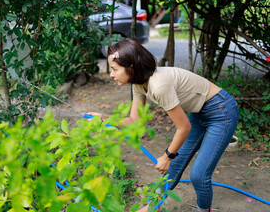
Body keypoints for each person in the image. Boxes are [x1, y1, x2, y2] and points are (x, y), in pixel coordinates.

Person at [87, 39, 239, 212]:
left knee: (199, 175)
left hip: (221, 111)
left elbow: (184, 127)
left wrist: (167, 156)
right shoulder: (138, 84)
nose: (111, 75)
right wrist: (104, 118)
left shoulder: (159, 85)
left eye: (114, 69)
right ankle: (149, 208)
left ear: (132, 68)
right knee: (174, 167)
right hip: (199, 113)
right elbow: (134, 121)